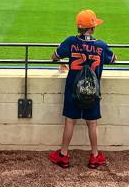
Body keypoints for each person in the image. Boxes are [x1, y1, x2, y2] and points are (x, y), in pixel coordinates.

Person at [49, 10, 116, 169]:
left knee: (70, 121)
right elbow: (113, 59)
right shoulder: (101, 45)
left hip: (73, 89)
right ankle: (94, 156)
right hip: (92, 91)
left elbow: (55, 56)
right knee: (92, 123)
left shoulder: (71, 41)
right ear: (92, 28)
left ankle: (63, 155)